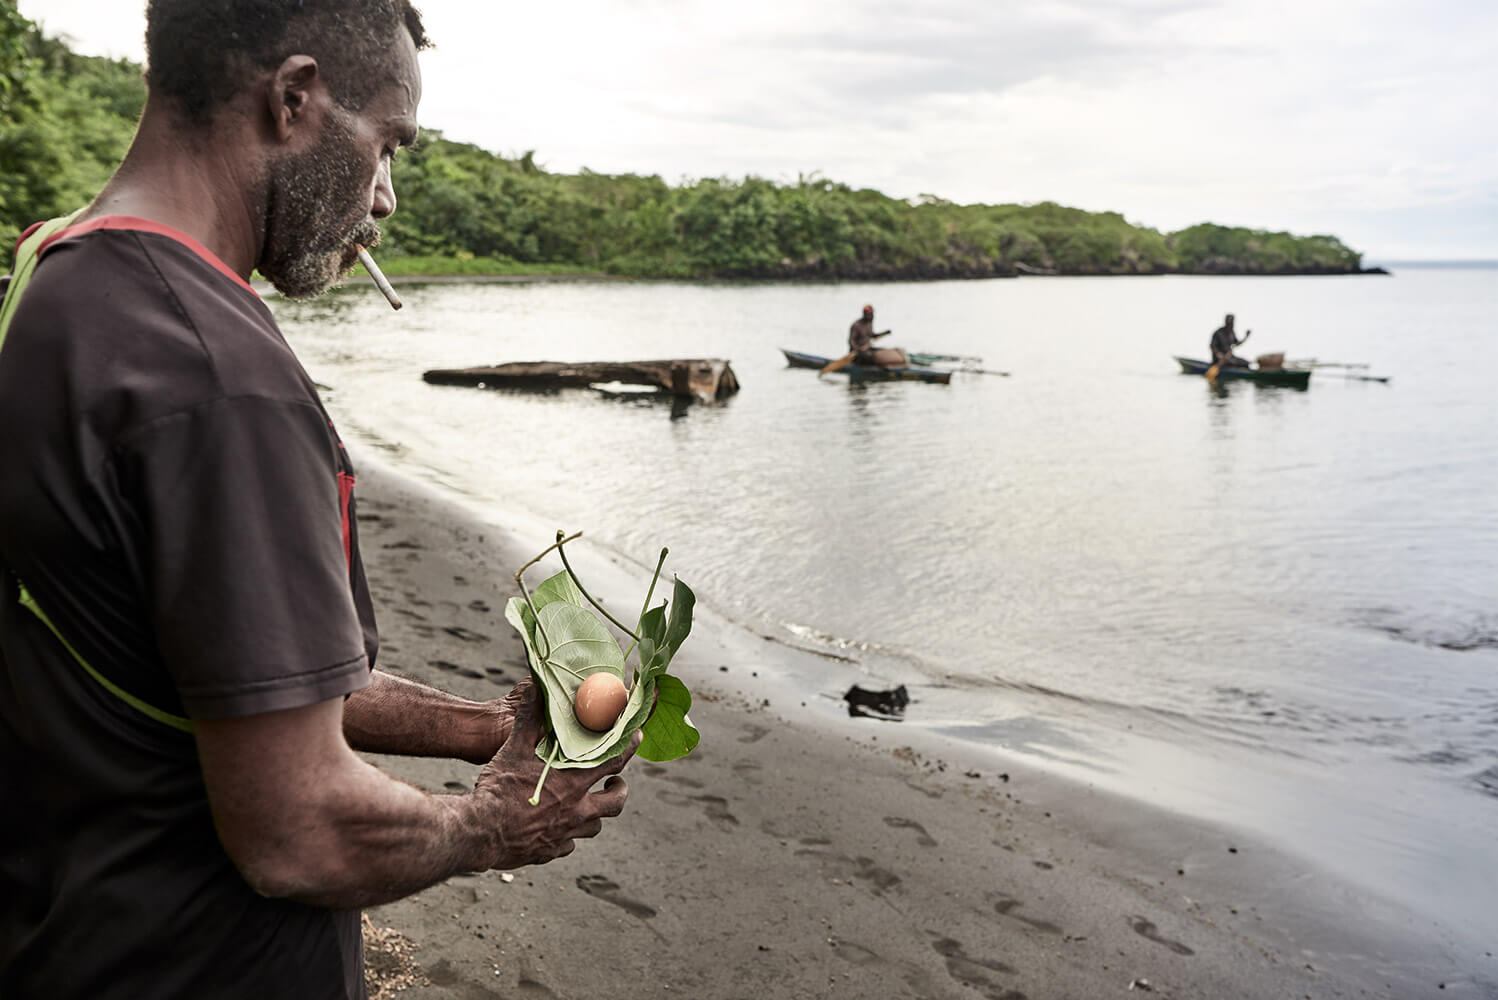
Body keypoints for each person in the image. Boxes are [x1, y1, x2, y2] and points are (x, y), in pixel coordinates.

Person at [0, 3, 632, 997]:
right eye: (386, 146)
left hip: (62, 922)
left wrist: (482, 727)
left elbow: (218, 663)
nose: (384, 199)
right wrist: (498, 819)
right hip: (192, 961)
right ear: (294, 98)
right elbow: (298, 833)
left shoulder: (55, 271)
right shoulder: (220, 383)